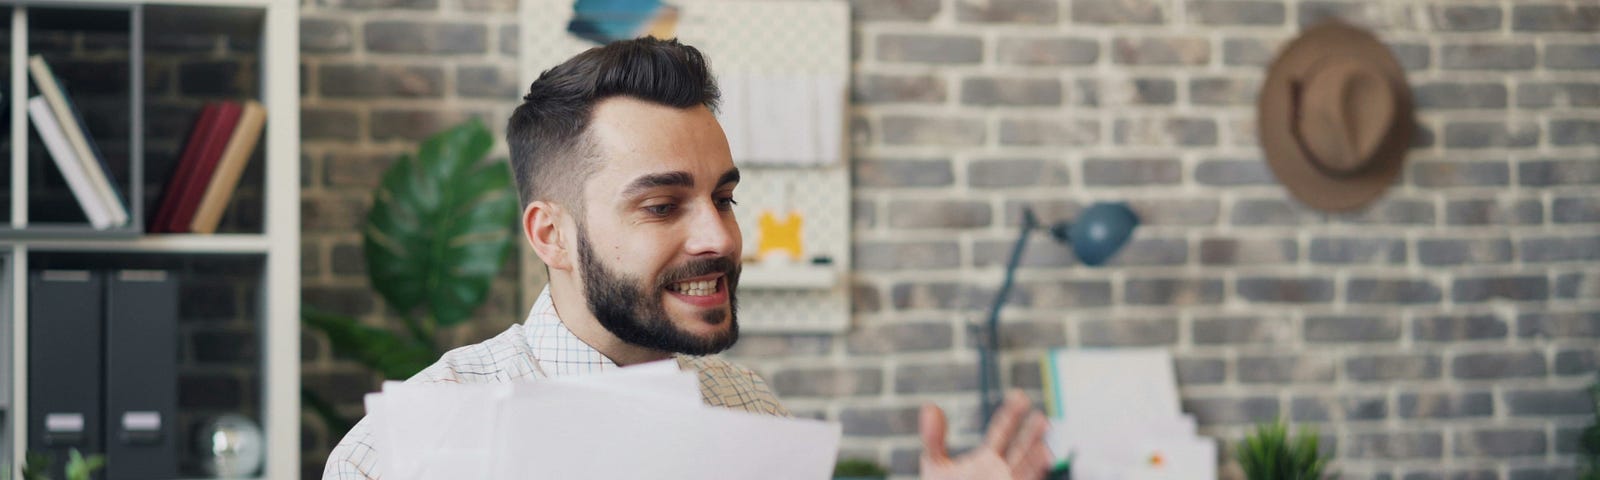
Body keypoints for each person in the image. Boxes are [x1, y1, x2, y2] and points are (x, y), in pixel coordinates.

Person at [323, 37, 1053, 480]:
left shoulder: (750, 408)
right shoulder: (401, 450)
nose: (720, 239)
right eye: (663, 205)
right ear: (551, 235)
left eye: (723, 198)